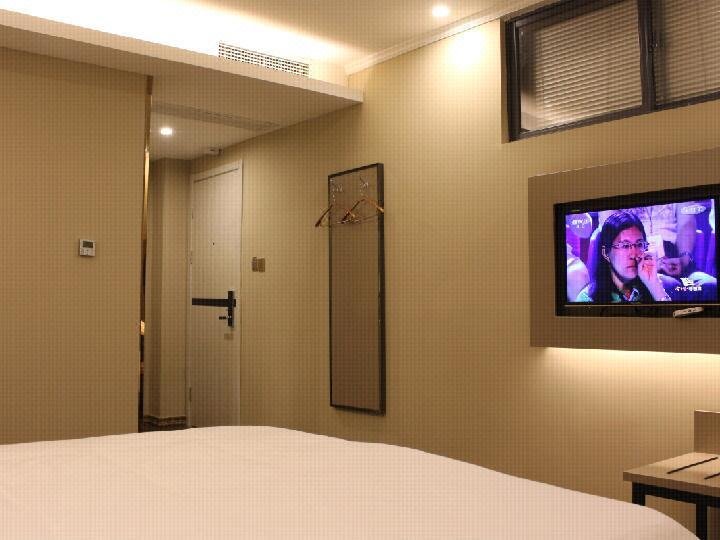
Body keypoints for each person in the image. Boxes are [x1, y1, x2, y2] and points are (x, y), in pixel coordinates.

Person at [576, 211, 678, 303]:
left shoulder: (667, 286)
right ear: (606, 253)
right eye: (625, 246)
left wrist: (655, 287)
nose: (634, 254)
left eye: (639, 244)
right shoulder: (588, 299)